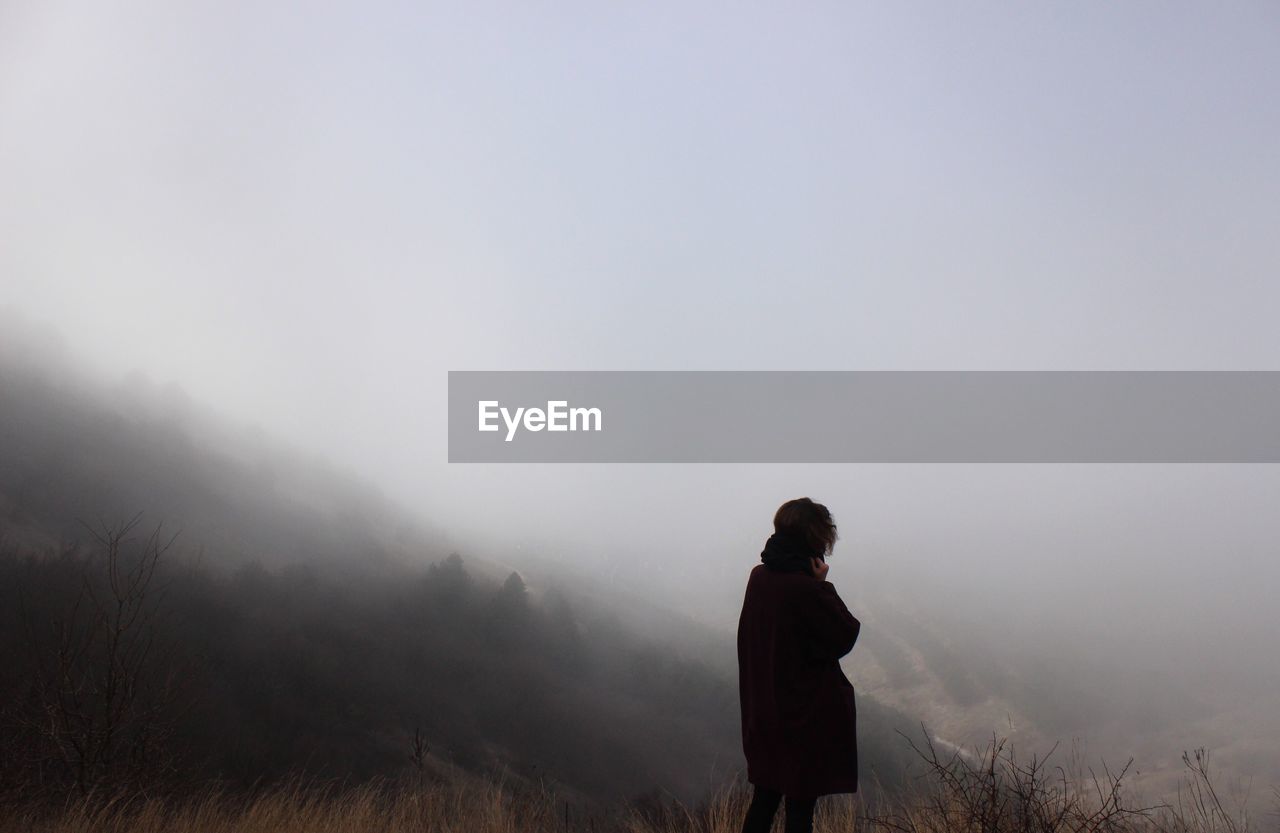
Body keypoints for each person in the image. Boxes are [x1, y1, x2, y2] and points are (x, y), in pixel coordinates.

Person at [737, 497, 861, 833]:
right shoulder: (805, 589)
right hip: (802, 719)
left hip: (764, 714)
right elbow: (844, 634)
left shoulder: (759, 577)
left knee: (764, 800)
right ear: (813, 538)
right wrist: (824, 587)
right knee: (800, 810)